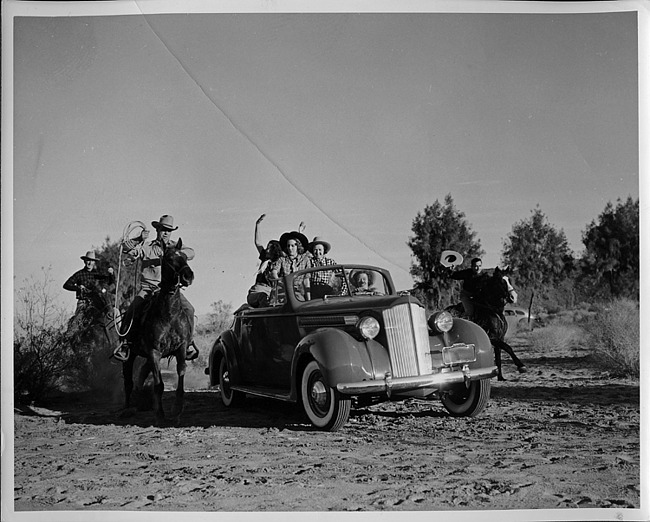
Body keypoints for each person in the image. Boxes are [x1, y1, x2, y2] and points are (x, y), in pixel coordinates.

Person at [113, 215, 198, 362]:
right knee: (133, 310)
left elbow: (192, 252)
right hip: (149, 289)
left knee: (189, 309)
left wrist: (176, 254)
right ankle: (125, 344)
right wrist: (139, 239)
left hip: (170, 291)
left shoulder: (174, 247)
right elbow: (126, 248)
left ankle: (188, 342)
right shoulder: (147, 247)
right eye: (162, 229)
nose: (165, 233)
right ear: (157, 230)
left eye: (168, 230)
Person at [247, 214, 285, 307]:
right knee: (263, 297)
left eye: (269, 248)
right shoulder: (265, 258)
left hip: (271, 291)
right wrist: (257, 225)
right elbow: (258, 242)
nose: (267, 250)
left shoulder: (279, 263)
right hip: (259, 290)